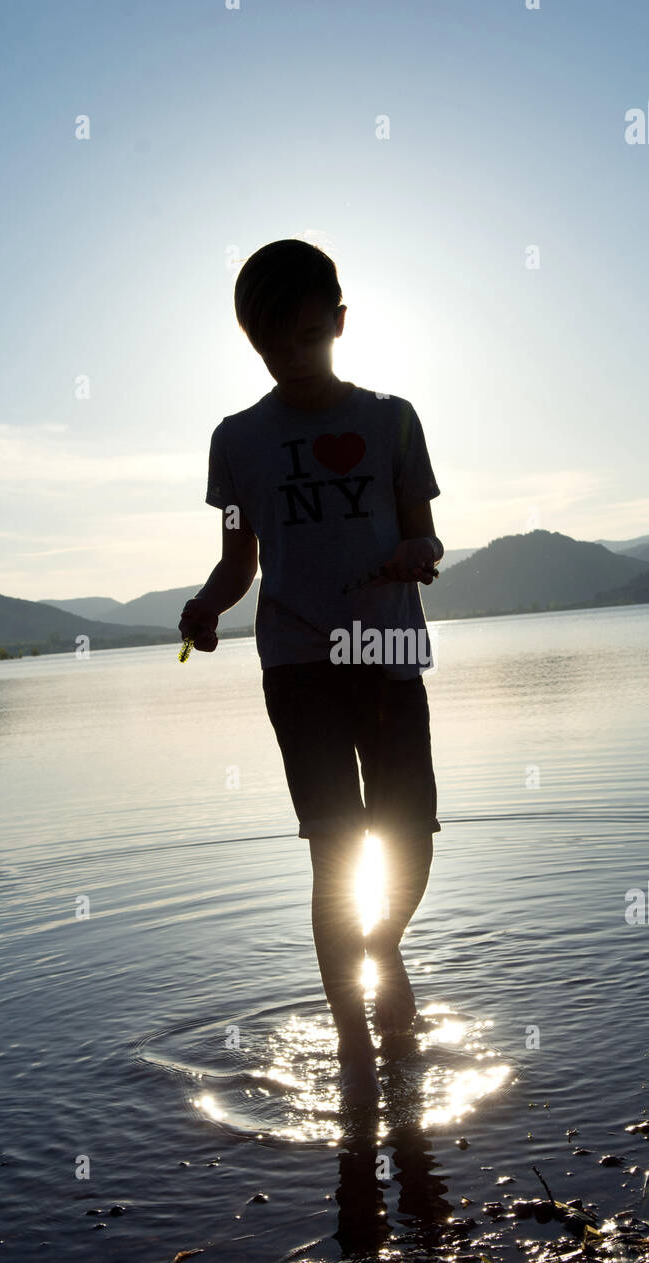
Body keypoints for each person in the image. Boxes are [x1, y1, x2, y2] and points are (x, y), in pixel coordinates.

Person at [179, 239, 444, 1105]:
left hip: (390, 655)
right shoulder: (235, 443)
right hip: (297, 664)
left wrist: (416, 551)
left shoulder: (394, 420)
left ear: (338, 321)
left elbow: (425, 531)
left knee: (409, 839)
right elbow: (237, 558)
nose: (289, 360)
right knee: (336, 852)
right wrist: (206, 606)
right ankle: (353, 1044)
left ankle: (382, 950)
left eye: (303, 337)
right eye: (269, 346)